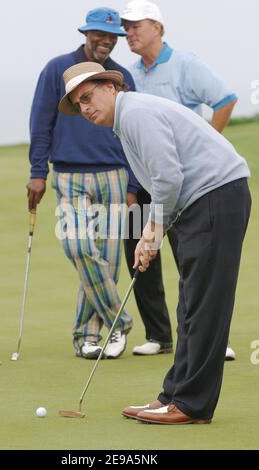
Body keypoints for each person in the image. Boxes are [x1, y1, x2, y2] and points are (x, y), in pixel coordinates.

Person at [58, 62, 251, 424]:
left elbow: (168, 175)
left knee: (205, 306)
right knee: (191, 306)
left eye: (88, 97)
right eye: (78, 104)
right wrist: (150, 231)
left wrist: (154, 230)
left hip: (216, 196)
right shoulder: (126, 119)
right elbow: (163, 181)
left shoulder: (136, 114)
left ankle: (191, 405)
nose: (85, 108)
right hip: (204, 200)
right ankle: (172, 396)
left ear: (110, 88)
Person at [120, 0, 238, 360]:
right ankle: (159, 335)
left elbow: (226, 99)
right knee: (140, 254)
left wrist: (209, 143)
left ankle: (209, 337)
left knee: (194, 258)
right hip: (142, 184)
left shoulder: (185, 64)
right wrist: (129, 187)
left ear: (158, 27)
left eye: (137, 26)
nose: (130, 33)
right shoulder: (127, 75)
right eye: (126, 28)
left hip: (184, 182)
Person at [27, 8, 139, 360]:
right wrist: (37, 172)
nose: (106, 41)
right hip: (69, 173)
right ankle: (118, 320)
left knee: (107, 259)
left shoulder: (121, 77)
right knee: (77, 246)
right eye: (99, 34)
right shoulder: (57, 68)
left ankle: (87, 337)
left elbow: (135, 135)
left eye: (112, 36)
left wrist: (134, 184)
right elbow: (41, 121)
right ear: (86, 34)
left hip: (115, 175)